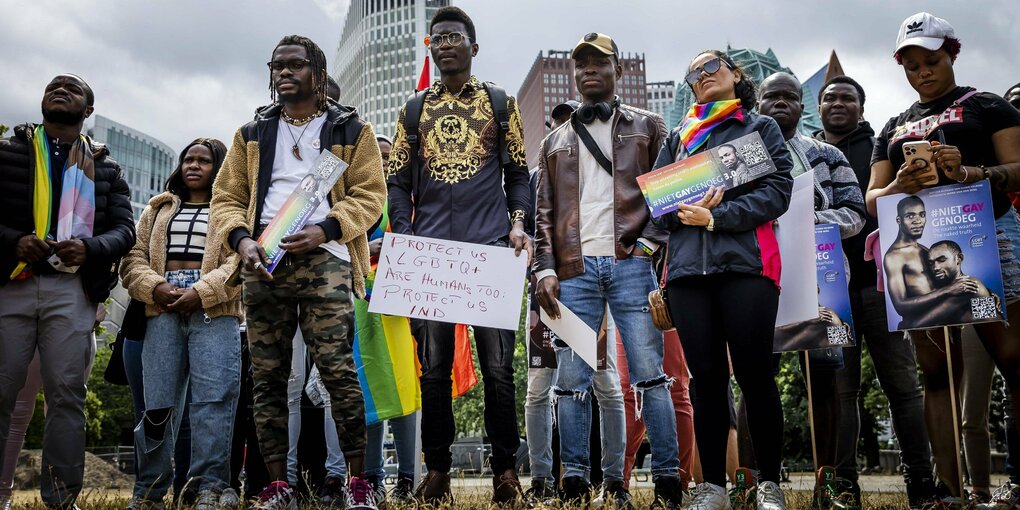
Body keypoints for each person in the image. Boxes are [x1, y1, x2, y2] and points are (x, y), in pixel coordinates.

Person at [212, 34, 386, 510]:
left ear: (319, 73)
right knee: (268, 379)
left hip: (324, 261)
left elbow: (371, 195)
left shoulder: (351, 130)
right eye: (277, 66)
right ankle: (277, 485)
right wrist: (242, 240)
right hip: (263, 262)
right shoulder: (251, 133)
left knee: (337, 370)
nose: (284, 73)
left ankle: (357, 483)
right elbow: (226, 198)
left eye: (295, 65)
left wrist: (327, 228)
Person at [864, 12, 1020, 506]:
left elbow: (1018, 169)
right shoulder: (893, 125)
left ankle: (1017, 484)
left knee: (1015, 359)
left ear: (951, 52)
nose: (922, 72)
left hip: (991, 235)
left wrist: (972, 170)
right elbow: (872, 199)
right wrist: (897, 186)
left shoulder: (986, 104)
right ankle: (948, 492)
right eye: (910, 66)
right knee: (935, 370)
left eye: (931, 60)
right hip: (920, 246)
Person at [386, 6, 531, 505]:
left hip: (490, 250)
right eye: (438, 36)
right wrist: (404, 238)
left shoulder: (500, 103)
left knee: (498, 368)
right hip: (430, 256)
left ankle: (507, 471)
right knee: (433, 368)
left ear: (474, 47)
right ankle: (438, 471)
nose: (446, 42)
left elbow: (518, 174)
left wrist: (517, 226)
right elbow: (398, 181)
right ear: (430, 47)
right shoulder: (412, 109)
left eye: (456, 36)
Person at [533, 32, 676, 508]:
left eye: (600, 63)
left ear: (618, 72)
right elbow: (544, 215)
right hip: (572, 273)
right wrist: (544, 270)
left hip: (631, 265)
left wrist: (650, 246)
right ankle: (574, 483)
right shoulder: (554, 139)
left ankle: (669, 483)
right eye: (582, 64)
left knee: (650, 374)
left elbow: (669, 194)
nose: (590, 70)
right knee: (570, 380)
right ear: (574, 75)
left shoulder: (650, 127)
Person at [653, 49, 794, 510]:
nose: (702, 75)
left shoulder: (760, 128)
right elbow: (658, 206)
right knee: (706, 380)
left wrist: (717, 217)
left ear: (736, 74)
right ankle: (714, 487)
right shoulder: (677, 138)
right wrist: (681, 213)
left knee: (755, 376)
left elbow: (778, 192)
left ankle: (769, 484)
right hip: (689, 275)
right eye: (693, 72)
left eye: (712, 66)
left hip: (746, 268)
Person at [0, 74, 134, 509]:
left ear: (88, 111)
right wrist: (13, 240)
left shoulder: (107, 168)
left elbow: (125, 230)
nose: (60, 91)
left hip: (72, 291)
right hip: (11, 285)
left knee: (67, 397)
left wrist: (89, 248)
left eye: (73, 89)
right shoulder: (8, 153)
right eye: (53, 86)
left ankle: (61, 500)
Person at [814, 74, 936, 507]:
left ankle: (921, 482)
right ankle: (843, 485)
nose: (838, 103)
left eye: (848, 97)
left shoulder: (881, 150)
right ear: (819, 105)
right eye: (830, 97)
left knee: (904, 387)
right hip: (830, 293)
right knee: (841, 392)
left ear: (862, 108)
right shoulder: (806, 154)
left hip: (885, 286)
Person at [757, 70, 866, 505]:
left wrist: (808, 221)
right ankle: (757, 484)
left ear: (803, 107)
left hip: (824, 277)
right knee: (756, 376)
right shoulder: (742, 153)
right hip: (760, 277)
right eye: (771, 97)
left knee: (825, 378)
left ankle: (830, 483)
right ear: (757, 104)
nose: (781, 103)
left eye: (790, 97)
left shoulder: (827, 154)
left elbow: (856, 214)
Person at [120, 138, 241, 509]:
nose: (194, 165)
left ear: (218, 167)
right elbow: (133, 257)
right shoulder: (157, 209)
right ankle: (150, 491)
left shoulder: (233, 211)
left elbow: (240, 262)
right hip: (162, 307)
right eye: (188, 158)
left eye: (204, 160)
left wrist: (202, 292)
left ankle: (209, 487)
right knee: (157, 406)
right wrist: (154, 287)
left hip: (214, 312)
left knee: (213, 401)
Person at [525, 98, 629, 506]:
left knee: (605, 384)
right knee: (538, 388)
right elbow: (528, 233)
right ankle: (540, 479)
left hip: (594, 289)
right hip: (544, 295)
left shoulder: (608, 174)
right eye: (562, 126)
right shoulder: (537, 178)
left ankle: (615, 481)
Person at [361, 134, 418, 506]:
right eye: (376, 157)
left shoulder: (410, 201)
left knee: (405, 389)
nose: (383, 163)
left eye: (389, 157)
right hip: (360, 302)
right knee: (367, 389)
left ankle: (408, 480)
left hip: (403, 307)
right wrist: (367, 248)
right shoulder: (357, 202)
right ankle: (371, 480)